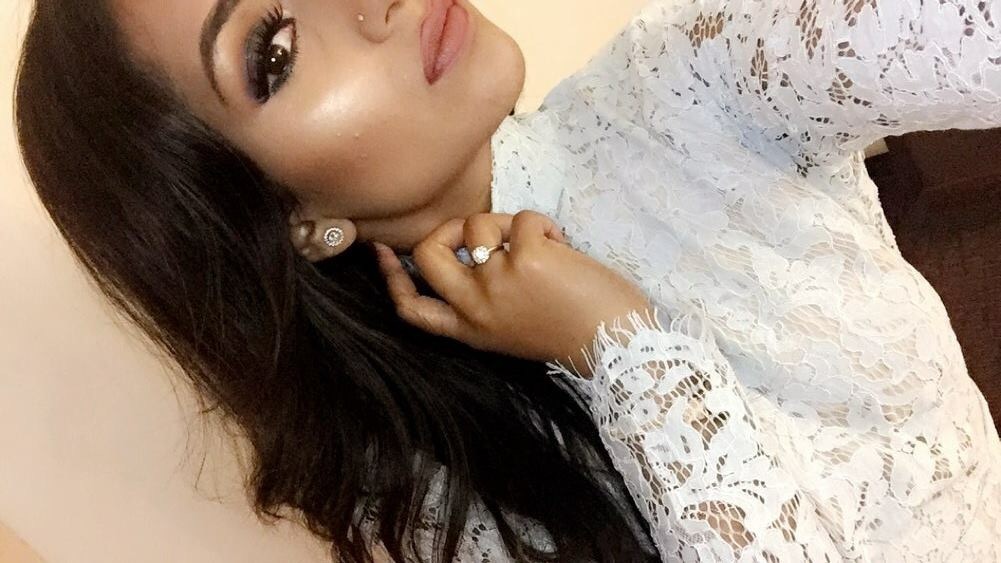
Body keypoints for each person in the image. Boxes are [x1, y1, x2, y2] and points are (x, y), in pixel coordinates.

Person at [13, 0, 1000, 560]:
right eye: (275, 49)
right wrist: (618, 348)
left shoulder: (686, 82)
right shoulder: (421, 488)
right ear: (286, 220)